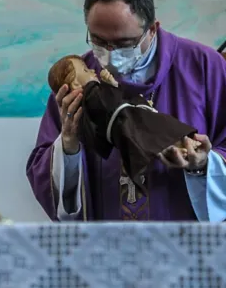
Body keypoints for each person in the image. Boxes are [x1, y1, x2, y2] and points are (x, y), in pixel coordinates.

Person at [26, 0, 226, 221]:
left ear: (152, 29)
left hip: (187, 245)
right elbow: (43, 169)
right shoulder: (80, 76)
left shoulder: (202, 65)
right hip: (109, 242)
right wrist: (68, 145)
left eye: (124, 44)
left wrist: (203, 165)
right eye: (99, 41)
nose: (108, 55)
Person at [46, 55, 199, 188]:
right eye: (86, 70)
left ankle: (183, 145)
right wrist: (68, 144)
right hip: (125, 122)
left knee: (159, 131)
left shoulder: (201, 61)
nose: (92, 70)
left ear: (151, 29)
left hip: (128, 119)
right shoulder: (78, 96)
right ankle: (182, 145)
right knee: (156, 134)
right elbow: (109, 104)